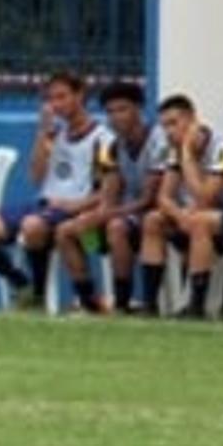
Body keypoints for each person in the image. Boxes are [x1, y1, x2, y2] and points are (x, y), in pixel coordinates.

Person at [0, 72, 109, 309]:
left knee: (33, 225)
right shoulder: (54, 134)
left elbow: (106, 192)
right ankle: (20, 283)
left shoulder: (103, 139)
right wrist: (42, 135)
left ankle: (39, 295)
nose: (57, 104)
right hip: (43, 204)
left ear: (80, 95)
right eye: (51, 99)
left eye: (62, 97)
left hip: (73, 209)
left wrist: (73, 205)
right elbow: (37, 178)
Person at [134, 95, 223, 320]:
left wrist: (187, 155)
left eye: (174, 123)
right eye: (164, 126)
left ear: (192, 120)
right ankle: (150, 304)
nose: (169, 132)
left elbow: (205, 197)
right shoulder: (175, 149)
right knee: (153, 220)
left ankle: (196, 305)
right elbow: (164, 197)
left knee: (200, 221)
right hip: (209, 216)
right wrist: (179, 216)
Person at [51, 81, 167, 314]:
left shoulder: (158, 141)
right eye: (110, 112)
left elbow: (148, 199)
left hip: (152, 217)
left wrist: (105, 215)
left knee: (116, 227)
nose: (116, 117)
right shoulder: (112, 146)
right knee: (66, 231)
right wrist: (91, 218)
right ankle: (90, 302)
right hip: (125, 215)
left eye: (122, 109)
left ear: (139, 109)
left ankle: (123, 303)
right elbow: (110, 194)